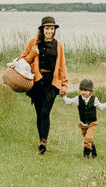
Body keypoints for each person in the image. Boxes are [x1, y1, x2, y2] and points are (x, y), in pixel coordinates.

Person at [16, 16, 68, 154]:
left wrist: (64, 84)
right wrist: (32, 55)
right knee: (39, 113)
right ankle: (41, 140)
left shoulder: (59, 45)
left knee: (46, 112)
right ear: (42, 29)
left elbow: (62, 66)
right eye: (47, 28)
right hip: (37, 82)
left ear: (54, 30)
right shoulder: (33, 43)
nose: (49, 31)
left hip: (52, 82)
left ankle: (43, 141)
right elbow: (22, 61)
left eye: (52, 29)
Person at [62, 78, 106, 158]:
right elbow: (68, 101)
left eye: (85, 90)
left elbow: (100, 107)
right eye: (81, 90)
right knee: (88, 137)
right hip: (83, 123)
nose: (83, 92)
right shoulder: (78, 99)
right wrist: (63, 95)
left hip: (92, 123)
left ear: (91, 91)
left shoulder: (94, 99)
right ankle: (93, 150)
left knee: (87, 138)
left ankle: (86, 154)